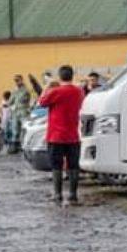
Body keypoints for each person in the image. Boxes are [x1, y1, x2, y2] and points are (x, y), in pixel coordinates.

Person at [37, 65, 86, 206]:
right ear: (72, 76)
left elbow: (41, 102)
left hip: (56, 135)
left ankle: (57, 194)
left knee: (56, 166)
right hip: (72, 135)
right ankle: (73, 195)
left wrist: (47, 87)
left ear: (60, 76)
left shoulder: (56, 91)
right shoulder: (78, 91)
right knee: (73, 166)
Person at [7, 75, 33, 154]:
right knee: (15, 129)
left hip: (24, 111)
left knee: (24, 129)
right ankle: (15, 146)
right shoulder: (15, 91)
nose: (17, 82)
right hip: (15, 113)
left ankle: (24, 145)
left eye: (18, 80)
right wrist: (11, 106)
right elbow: (10, 101)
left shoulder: (26, 90)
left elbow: (26, 100)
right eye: (15, 81)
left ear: (22, 80)